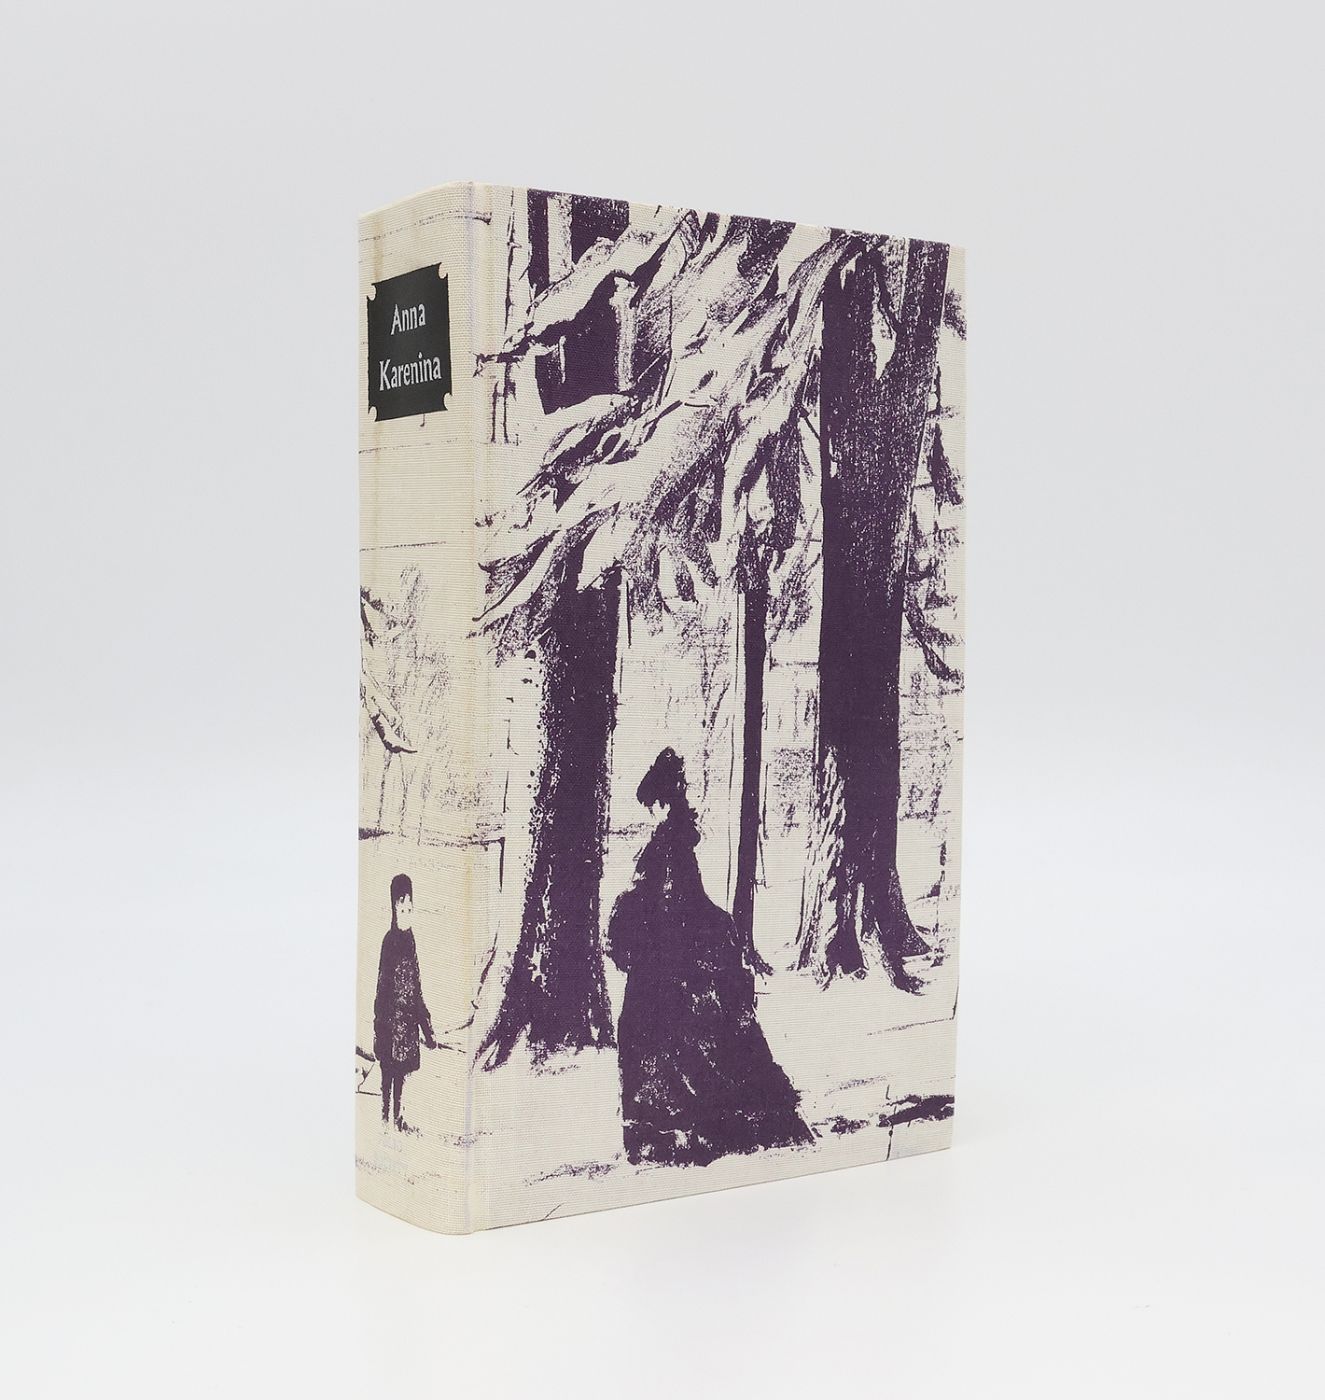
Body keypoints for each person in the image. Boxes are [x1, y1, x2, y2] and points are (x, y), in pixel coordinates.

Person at [605, 748, 814, 1166]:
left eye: (653, 805)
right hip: (674, 955)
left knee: (665, 1037)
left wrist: (634, 913)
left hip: (671, 961)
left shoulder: (671, 842)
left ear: (662, 802)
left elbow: (674, 901)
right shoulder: (674, 839)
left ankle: (675, 1134)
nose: (651, 813)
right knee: (675, 1039)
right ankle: (680, 1130)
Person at [373, 874, 435, 1131]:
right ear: (393, 909)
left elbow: (416, 986)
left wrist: (426, 1025)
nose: (405, 915)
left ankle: (398, 1117)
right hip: (390, 1023)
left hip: (407, 1023)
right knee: (388, 1072)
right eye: (401, 910)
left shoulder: (411, 940)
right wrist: (380, 1023)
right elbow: (382, 987)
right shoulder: (389, 942)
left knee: (401, 1075)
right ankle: (385, 1118)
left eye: (409, 910)